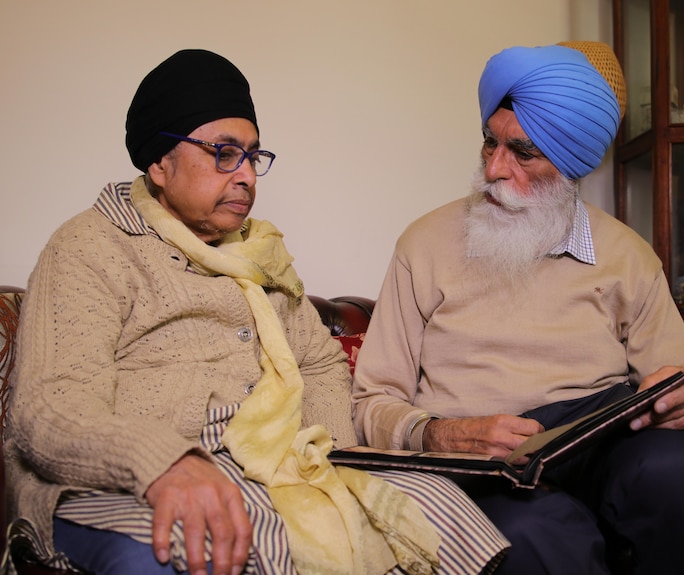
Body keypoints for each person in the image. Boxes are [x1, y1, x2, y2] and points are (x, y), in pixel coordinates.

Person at [3, 49, 509, 575]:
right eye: (224, 153)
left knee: (433, 507)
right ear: (160, 161)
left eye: (252, 155)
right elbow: (49, 407)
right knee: (199, 544)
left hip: (265, 465)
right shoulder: (91, 246)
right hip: (121, 477)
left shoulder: (259, 253)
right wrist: (164, 462)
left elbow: (317, 363)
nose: (246, 175)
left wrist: (333, 462)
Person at [352, 42, 684, 575]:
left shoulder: (628, 256)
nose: (494, 169)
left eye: (522, 152)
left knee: (677, 475)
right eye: (490, 143)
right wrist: (441, 433)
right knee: (539, 533)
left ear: (571, 165)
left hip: (599, 437)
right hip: (487, 463)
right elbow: (371, 400)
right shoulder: (424, 244)